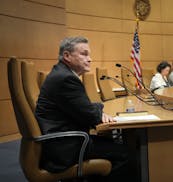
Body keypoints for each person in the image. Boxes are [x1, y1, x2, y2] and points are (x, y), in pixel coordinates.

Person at [35, 37, 130, 181]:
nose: (90, 59)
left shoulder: (61, 73)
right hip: (65, 148)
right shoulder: (66, 79)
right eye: (84, 54)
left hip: (62, 141)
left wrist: (96, 109)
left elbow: (86, 109)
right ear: (67, 56)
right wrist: (99, 108)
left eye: (89, 55)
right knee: (126, 154)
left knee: (113, 145)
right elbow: (91, 116)